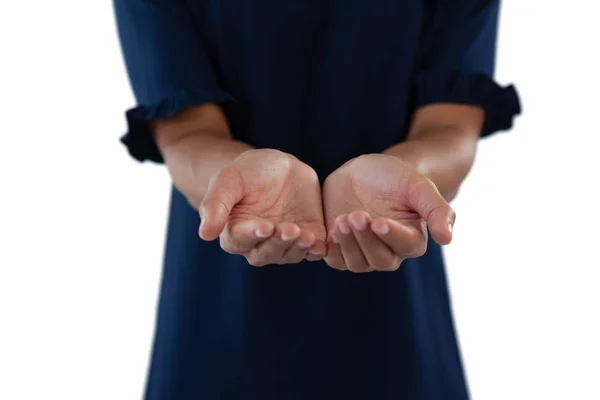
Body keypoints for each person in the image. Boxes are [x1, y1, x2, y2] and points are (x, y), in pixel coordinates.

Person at [114, 0, 520, 398]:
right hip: (221, 312)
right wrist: (233, 179)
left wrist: (413, 174)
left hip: (394, 301)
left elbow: (451, 124)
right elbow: (186, 131)